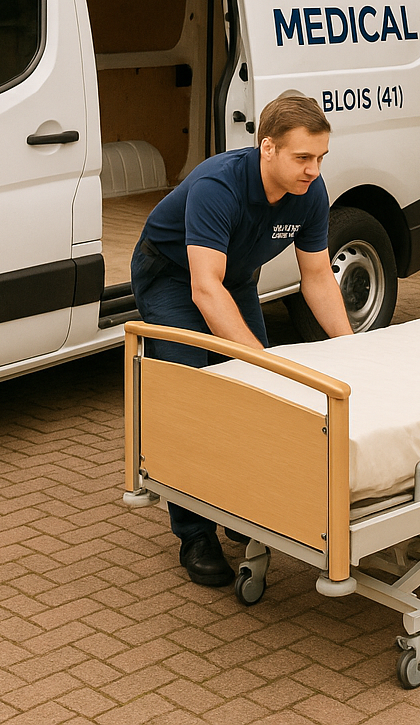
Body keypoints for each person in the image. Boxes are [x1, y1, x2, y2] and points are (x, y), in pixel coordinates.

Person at [131, 94, 353, 585]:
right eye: (303, 158)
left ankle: (239, 503)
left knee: (249, 394)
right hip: (172, 276)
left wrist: (351, 348)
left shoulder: (310, 193)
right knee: (194, 390)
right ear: (267, 148)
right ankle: (195, 532)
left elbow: (317, 276)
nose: (313, 170)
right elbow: (202, 288)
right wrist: (260, 360)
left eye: (320, 158)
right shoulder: (219, 184)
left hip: (233, 278)